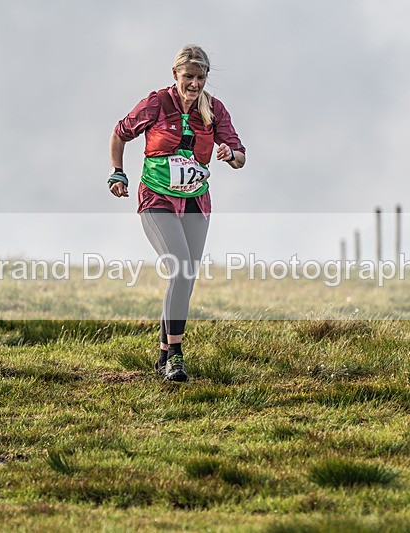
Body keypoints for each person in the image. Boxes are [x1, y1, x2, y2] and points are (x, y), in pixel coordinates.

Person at [108, 44, 246, 382]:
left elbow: (240, 156)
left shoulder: (214, 109)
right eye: (188, 77)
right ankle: (175, 356)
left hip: (196, 202)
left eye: (201, 78)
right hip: (157, 200)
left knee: (185, 277)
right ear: (175, 74)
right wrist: (118, 173)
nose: (194, 84)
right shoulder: (156, 103)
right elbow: (120, 134)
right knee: (180, 268)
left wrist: (229, 154)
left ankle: (162, 355)